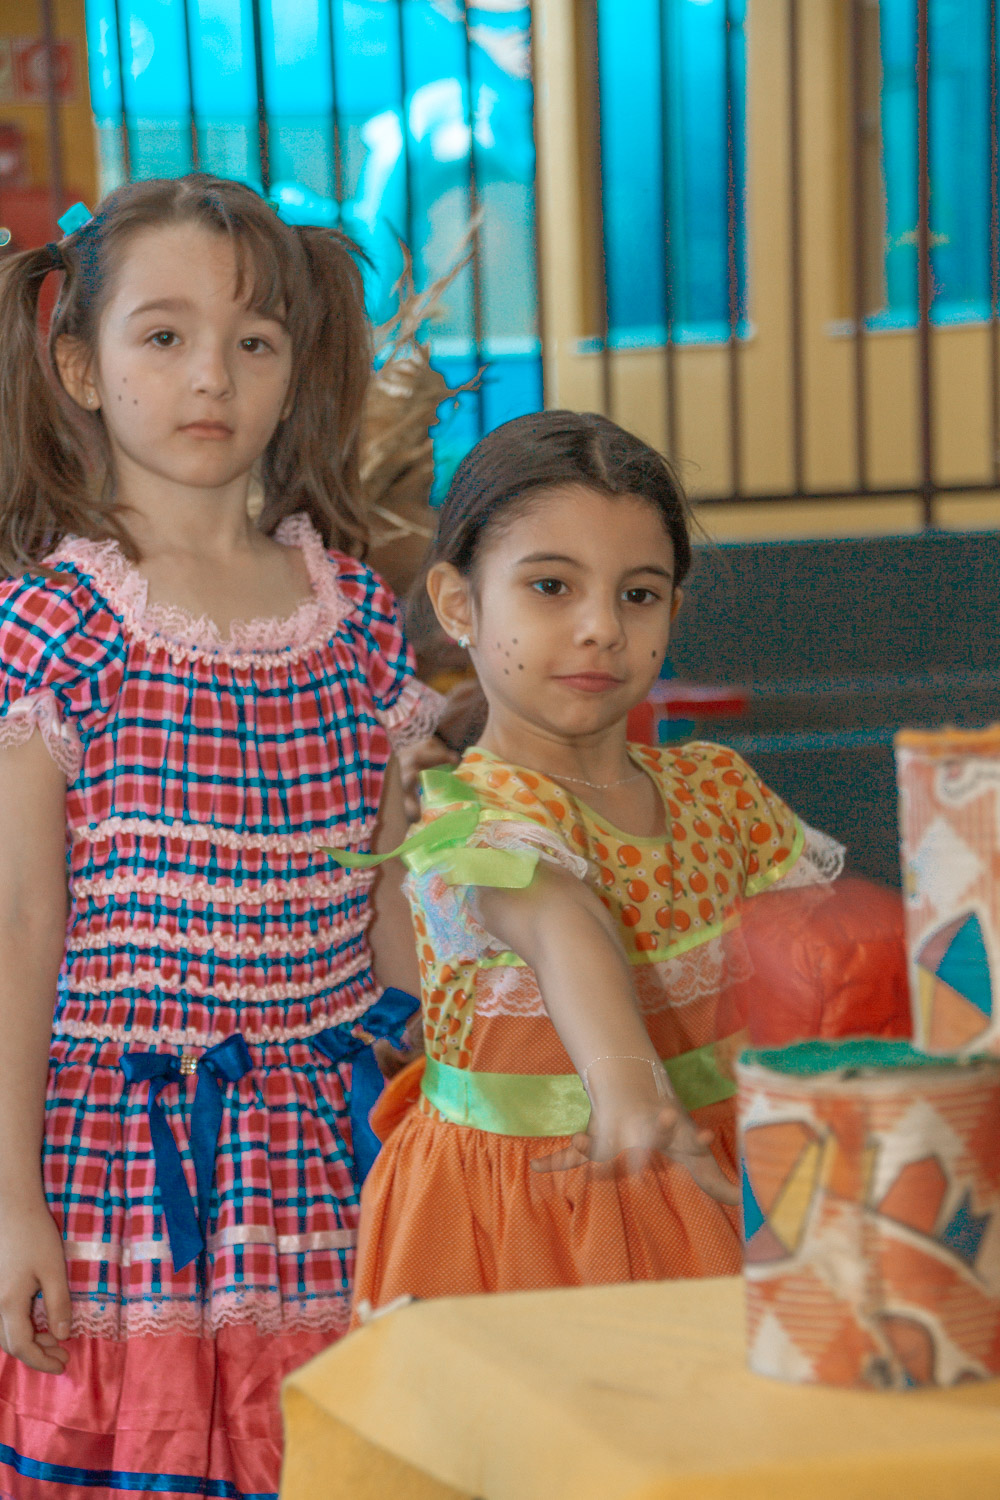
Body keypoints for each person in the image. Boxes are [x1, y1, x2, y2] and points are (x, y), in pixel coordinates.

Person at [0, 174, 442, 1499]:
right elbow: (20, 923)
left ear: (297, 369)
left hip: (335, 1160)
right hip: (124, 1176)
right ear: (79, 365)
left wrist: (440, 1127)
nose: (211, 376)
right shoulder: (54, 627)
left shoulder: (357, 616)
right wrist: (9, 1197)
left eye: (254, 340)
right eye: (164, 335)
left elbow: (390, 897)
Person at [346, 410, 845, 1313]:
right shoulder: (470, 817)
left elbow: (834, 956)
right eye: (551, 586)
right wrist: (628, 1087)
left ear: (672, 611)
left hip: (728, 1177)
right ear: (458, 604)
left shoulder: (720, 790)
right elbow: (560, 923)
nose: (601, 628)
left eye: (638, 595)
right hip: (524, 1225)